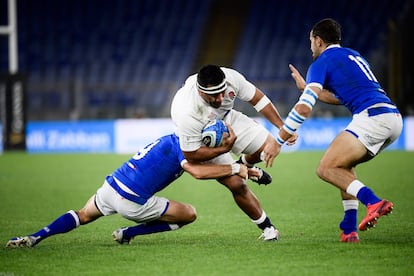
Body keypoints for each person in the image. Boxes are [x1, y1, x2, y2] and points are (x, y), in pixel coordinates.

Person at [6, 132, 260, 248]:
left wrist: (252, 171)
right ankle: (129, 232)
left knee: (82, 214)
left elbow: (209, 161)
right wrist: (238, 170)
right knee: (189, 214)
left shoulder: (174, 139)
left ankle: (35, 237)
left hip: (111, 185)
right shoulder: (186, 151)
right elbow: (201, 171)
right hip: (132, 202)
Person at [274, 18, 403, 242]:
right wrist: (306, 87)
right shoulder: (353, 55)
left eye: (311, 41)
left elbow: (305, 107)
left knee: (325, 168)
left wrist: (281, 136)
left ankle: (373, 201)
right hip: (392, 118)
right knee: (343, 166)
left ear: (319, 40)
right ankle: (349, 229)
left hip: (371, 118)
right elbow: (341, 97)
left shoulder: (321, 62)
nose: (311, 46)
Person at [170, 64, 297, 241]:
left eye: (223, 92)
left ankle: (244, 164)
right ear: (201, 92)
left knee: (269, 146)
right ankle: (268, 228)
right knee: (237, 184)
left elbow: (258, 100)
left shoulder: (231, 78)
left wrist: (282, 127)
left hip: (226, 119)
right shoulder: (187, 112)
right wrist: (225, 149)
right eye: (214, 95)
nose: (221, 98)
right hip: (200, 138)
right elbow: (191, 155)